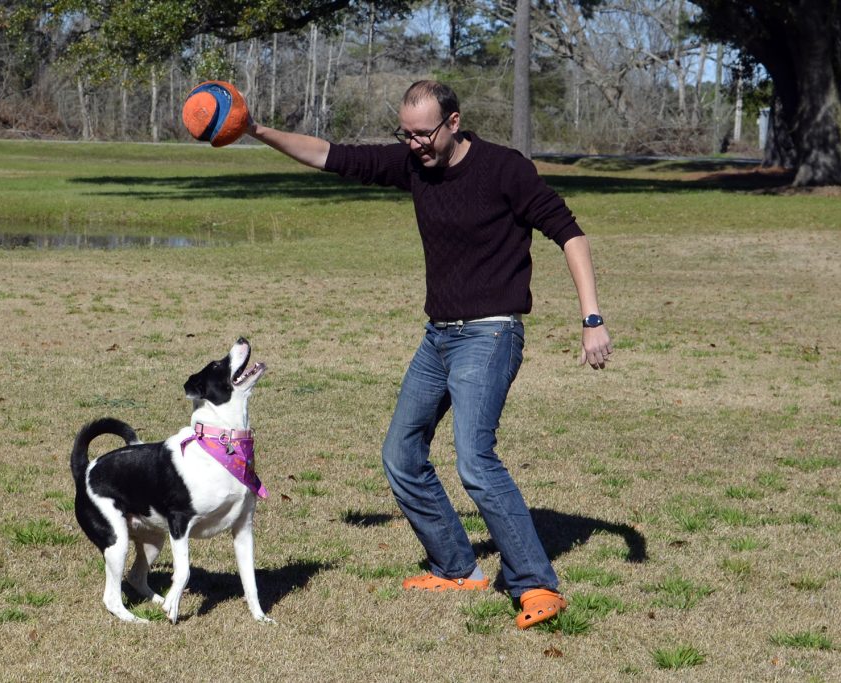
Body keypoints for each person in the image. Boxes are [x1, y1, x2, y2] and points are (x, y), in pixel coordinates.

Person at [247, 80, 612, 630]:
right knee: (401, 454)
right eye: (406, 133)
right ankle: (455, 566)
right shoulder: (414, 165)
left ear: (454, 123)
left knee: (475, 459)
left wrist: (591, 319)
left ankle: (536, 584)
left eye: (424, 133)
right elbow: (331, 157)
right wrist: (255, 130)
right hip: (438, 336)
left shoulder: (504, 169)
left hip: (490, 335)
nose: (414, 143)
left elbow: (570, 234)